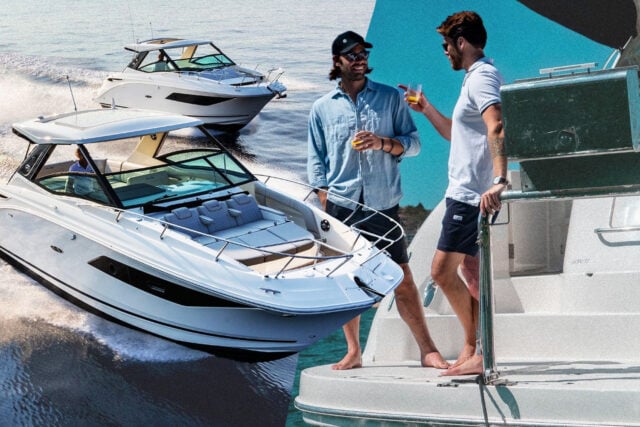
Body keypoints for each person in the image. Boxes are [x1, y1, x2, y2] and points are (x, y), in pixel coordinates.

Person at [308, 30, 448, 371]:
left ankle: (427, 351)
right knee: (347, 281)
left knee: (402, 278)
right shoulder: (321, 109)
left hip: (383, 204)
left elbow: (413, 144)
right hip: (341, 207)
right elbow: (317, 163)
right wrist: (325, 206)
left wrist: (382, 143)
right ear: (337, 61)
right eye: (352, 55)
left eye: (363, 53)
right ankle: (354, 351)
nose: (360, 59)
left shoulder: (389, 98)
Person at [405, 11, 507, 376]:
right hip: (464, 193)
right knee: (471, 274)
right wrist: (426, 108)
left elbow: (496, 126)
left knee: (441, 272)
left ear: (461, 42)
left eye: (446, 45)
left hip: (470, 196)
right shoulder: (472, 80)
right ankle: (475, 350)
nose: (445, 52)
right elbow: (456, 134)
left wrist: (499, 180)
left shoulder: (482, 78)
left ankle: (478, 349)